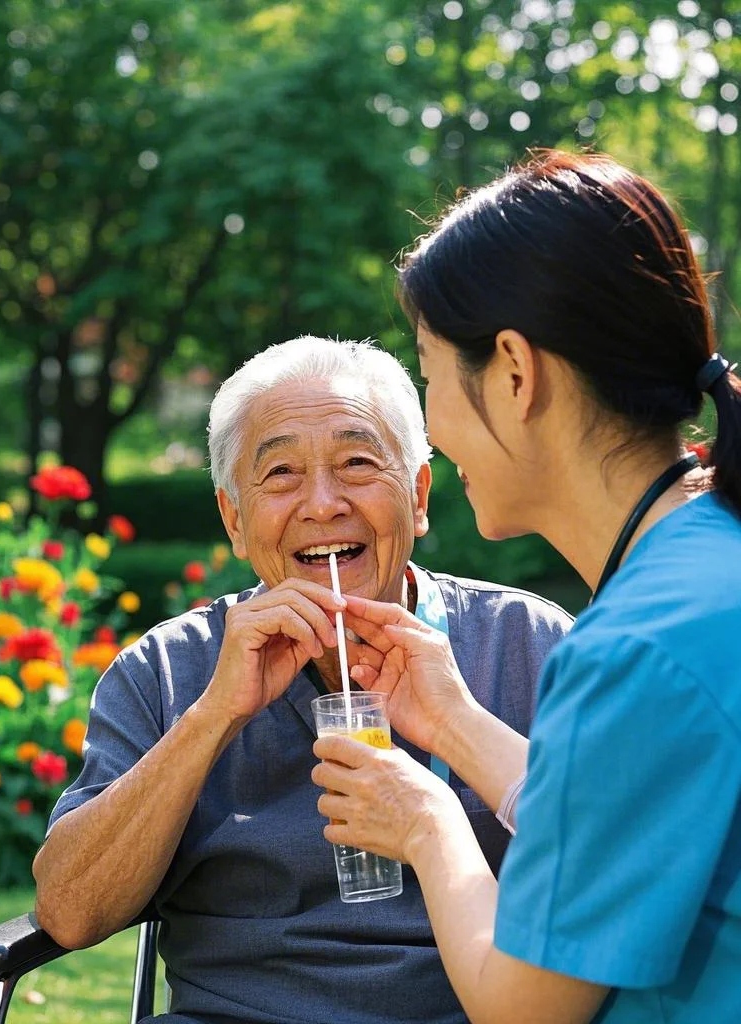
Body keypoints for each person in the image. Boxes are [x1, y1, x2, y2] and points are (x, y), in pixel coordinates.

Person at [311, 150, 741, 1024]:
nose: (430, 431)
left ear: (514, 371)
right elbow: (634, 812)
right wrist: (458, 726)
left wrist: (427, 820)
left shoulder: (633, 647)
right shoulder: (708, 563)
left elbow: (525, 1007)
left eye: (430, 375)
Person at [32, 335, 573, 1024]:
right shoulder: (168, 671)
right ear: (234, 518)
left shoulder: (530, 644)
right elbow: (69, 912)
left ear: (419, 493)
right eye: (281, 472)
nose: (322, 503)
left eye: (356, 462)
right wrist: (212, 718)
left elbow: (623, 872)